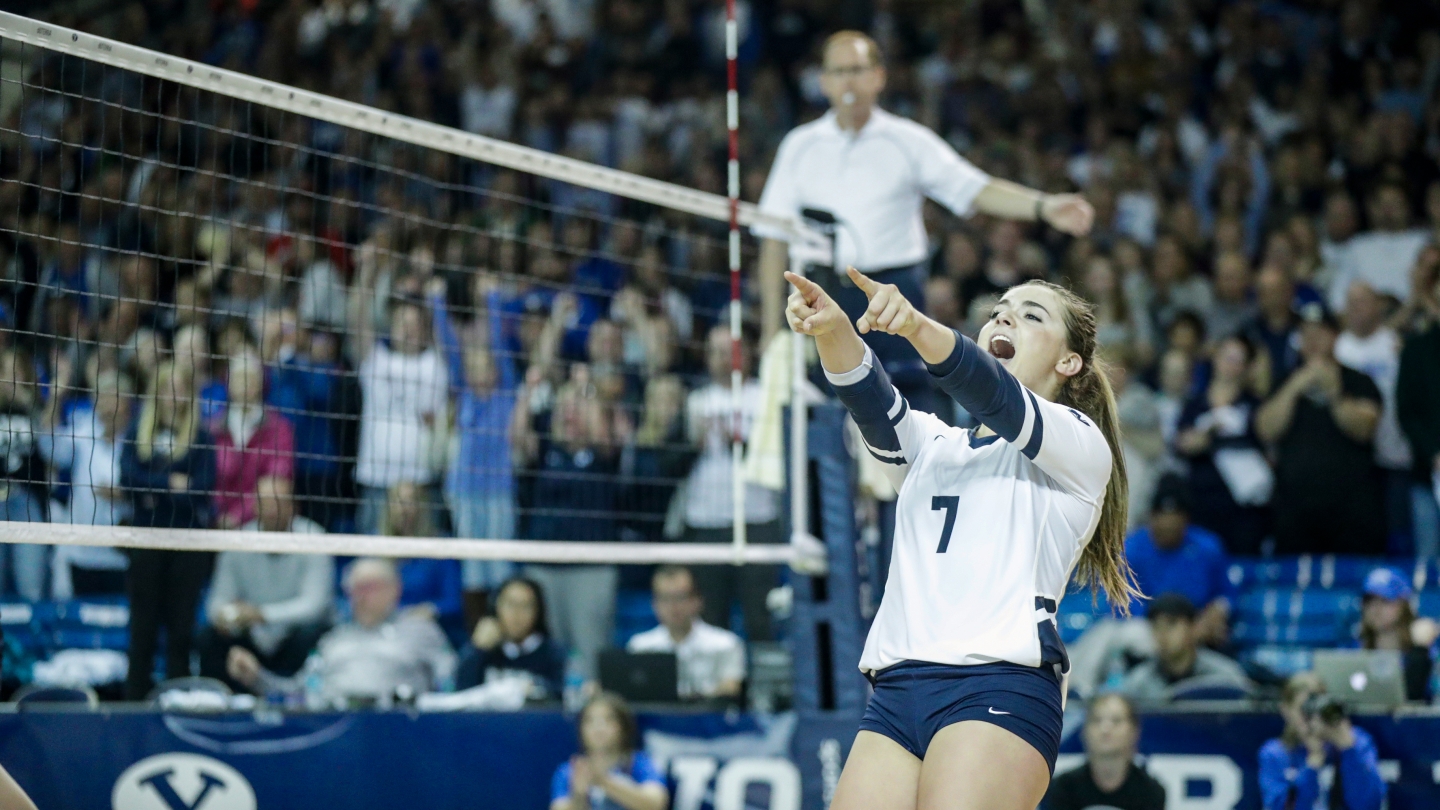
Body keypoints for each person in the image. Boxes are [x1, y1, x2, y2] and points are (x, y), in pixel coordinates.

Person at [784, 264, 1134, 810]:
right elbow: (870, 399)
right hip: (897, 692)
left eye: (1030, 315)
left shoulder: (1081, 447)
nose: (1005, 317)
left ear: (1070, 362)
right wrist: (833, 328)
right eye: (999, 312)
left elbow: (991, 391)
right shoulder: (935, 445)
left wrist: (915, 324)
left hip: (997, 686)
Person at [755, 30, 1094, 414]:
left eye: (858, 69)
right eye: (839, 70)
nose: (848, 80)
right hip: (824, 294)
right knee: (828, 420)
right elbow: (772, 238)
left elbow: (975, 189)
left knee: (907, 416)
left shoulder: (908, 140)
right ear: (823, 81)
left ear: (879, 76)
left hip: (894, 294)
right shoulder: (800, 146)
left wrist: (1044, 206)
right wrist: (770, 329)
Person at [227, 557, 457, 704]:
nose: (360, 596)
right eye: (353, 589)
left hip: (401, 734)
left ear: (395, 589)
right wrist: (257, 677)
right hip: (335, 734)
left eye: (369, 587)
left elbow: (450, 688)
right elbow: (298, 694)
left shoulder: (422, 632)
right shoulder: (333, 639)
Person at [1256, 302, 1384, 555]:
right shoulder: (1284, 381)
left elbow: (1364, 428)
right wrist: (1295, 386)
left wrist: (1334, 392)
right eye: (1305, 333)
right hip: (1296, 508)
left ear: (1336, 336)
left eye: (1320, 332)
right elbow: (1266, 429)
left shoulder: (1358, 381)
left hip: (1351, 509)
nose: (1312, 340)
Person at [679, 326, 781, 642]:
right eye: (717, 352)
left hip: (757, 518)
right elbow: (673, 465)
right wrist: (690, 444)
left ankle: (766, 687)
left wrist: (737, 440)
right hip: (706, 520)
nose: (725, 359)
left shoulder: (766, 397)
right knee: (711, 617)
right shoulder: (696, 401)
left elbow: (775, 459)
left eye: (732, 351)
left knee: (760, 616)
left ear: (749, 354)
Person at [347, 238, 449, 535]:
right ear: (391, 325)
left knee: (423, 562)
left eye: (413, 323)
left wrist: (429, 283)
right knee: (371, 561)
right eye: (401, 322)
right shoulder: (375, 359)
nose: (407, 329)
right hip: (378, 479)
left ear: (423, 328)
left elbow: (444, 333)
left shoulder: (435, 362)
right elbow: (357, 320)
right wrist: (366, 273)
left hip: (422, 482)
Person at [197, 476, 333, 689]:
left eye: (278, 502)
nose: (272, 510)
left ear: (294, 506)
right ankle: (219, 703)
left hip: (294, 636)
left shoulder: (315, 538)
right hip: (250, 636)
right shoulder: (238, 542)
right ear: (254, 507)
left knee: (315, 632)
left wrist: (262, 614)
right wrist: (225, 616)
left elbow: (315, 605)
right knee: (209, 637)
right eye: (265, 503)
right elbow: (216, 602)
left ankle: (300, 705)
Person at [39, 368, 133, 598]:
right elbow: (50, 448)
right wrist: (55, 400)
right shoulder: (83, 432)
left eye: (113, 398)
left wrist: (125, 494)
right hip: (83, 551)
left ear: (126, 403)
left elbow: (151, 487)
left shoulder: (137, 440)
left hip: (121, 554)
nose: (107, 405)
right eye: (102, 398)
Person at [1173, 336, 1271, 553]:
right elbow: (1181, 443)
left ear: (1246, 366)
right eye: (1226, 357)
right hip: (1203, 503)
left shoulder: (1255, 405)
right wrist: (1206, 434)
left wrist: (1207, 439)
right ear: (1215, 358)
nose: (1230, 364)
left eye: (1238, 359)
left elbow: (1265, 442)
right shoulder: (1195, 403)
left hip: (1244, 509)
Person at [1258, 673, 1385, 810]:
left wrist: (1349, 750)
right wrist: (1313, 763)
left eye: (1317, 707)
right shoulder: (1276, 753)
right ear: (1286, 711)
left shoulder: (1356, 741)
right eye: (1305, 709)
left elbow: (1369, 805)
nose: (1313, 717)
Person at [625, 565, 745, 700]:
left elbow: (731, 689)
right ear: (654, 604)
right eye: (665, 598)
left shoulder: (726, 644)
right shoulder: (641, 647)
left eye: (680, 597)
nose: (673, 606)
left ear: (697, 600)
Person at [1118, 593, 1255, 703]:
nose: (1162, 634)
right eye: (1156, 627)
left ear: (1193, 628)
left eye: (1171, 625)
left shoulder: (1225, 677)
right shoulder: (1138, 684)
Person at [212, 351, 295, 530]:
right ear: (228, 384)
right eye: (239, 379)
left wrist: (238, 516)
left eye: (250, 378)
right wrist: (217, 515)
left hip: (262, 522)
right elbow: (207, 479)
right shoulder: (214, 429)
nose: (244, 385)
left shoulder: (279, 429)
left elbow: (276, 480)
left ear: (261, 384)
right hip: (216, 522)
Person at [1042, 694, 1165, 810]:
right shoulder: (1064, 788)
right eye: (1096, 720)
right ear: (1084, 731)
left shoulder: (1150, 791)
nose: (1105, 729)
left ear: (1134, 731)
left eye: (1116, 721)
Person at [549, 692, 669, 810]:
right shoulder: (569, 771)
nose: (599, 727)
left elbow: (656, 804)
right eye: (590, 720)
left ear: (623, 727)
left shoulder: (640, 763)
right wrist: (579, 796)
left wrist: (603, 781)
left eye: (608, 719)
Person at [455, 576, 566, 698]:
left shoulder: (553, 654)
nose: (516, 613)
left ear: (538, 611)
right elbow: (461, 695)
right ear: (495, 606)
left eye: (525, 606)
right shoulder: (481, 651)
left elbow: (562, 696)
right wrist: (477, 649)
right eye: (510, 604)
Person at [0, 347, 48, 601]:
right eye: (6, 373)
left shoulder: (37, 410)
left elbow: (53, 449)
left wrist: (29, 404)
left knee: (31, 585)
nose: (12, 379)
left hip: (26, 501)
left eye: (17, 373)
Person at [1351, 568, 1434, 702]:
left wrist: (1421, 649)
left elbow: (1413, 697)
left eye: (1385, 600)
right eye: (1369, 600)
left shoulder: (1424, 652)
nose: (1375, 608)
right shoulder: (1355, 650)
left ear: (1404, 605)